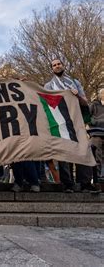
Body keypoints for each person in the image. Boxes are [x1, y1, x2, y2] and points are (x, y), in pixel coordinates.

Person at [44, 59, 99, 193]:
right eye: (54, 65)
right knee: (64, 153)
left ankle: (84, 183)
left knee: (83, 150)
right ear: (52, 68)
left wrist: (77, 95)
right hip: (61, 123)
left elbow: (85, 103)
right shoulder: (49, 86)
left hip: (77, 121)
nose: (57, 66)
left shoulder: (75, 83)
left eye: (59, 64)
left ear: (63, 65)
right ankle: (67, 184)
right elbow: (47, 106)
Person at [88, 88, 104, 192]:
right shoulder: (94, 105)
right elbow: (87, 116)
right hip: (97, 133)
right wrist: (94, 122)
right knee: (96, 159)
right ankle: (97, 182)